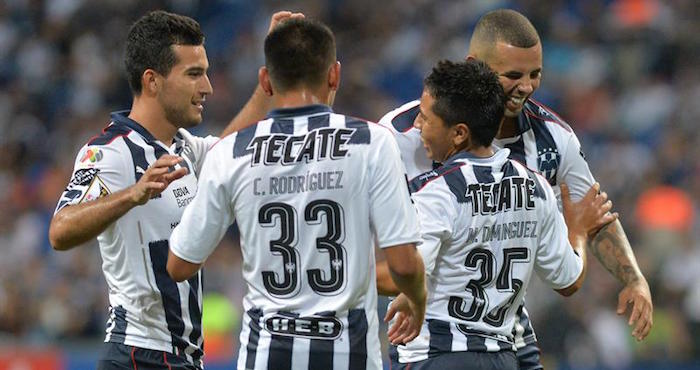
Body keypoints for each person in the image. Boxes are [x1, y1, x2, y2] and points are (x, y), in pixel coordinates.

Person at [377, 8, 653, 369]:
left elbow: (592, 213)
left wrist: (633, 278)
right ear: (476, 65)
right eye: (513, 75)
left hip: (504, 331)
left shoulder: (554, 139)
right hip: (426, 332)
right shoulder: (402, 134)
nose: (526, 86)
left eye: (535, 74)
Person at [166, 18, 427, 370]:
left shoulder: (229, 153)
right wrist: (417, 299)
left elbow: (180, 265)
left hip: (265, 354)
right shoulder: (371, 141)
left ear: (265, 81)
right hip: (350, 355)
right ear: (334, 75)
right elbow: (403, 262)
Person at [48, 9, 299, 370]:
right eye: (194, 74)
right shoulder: (111, 152)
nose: (207, 87)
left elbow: (234, 147)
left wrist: (270, 75)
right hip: (136, 353)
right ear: (152, 81)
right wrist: (132, 194)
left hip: (182, 358)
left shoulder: (184, 149)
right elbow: (60, 230)